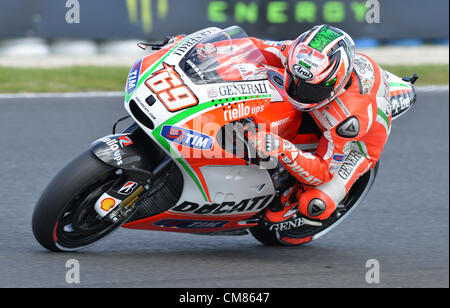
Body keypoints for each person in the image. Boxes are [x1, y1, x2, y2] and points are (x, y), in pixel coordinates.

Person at [244, 24, 392, 224]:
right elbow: (255, 48)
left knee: (314, 204)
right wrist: (213, 50)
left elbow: (323, 172)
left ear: (335, 85)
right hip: (321, 110)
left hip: (359, 146)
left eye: (310, 90)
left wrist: (281, 147)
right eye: (295, 80)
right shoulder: (301, 56)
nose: (298, 92)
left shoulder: (348, 120)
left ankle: (299, 219)